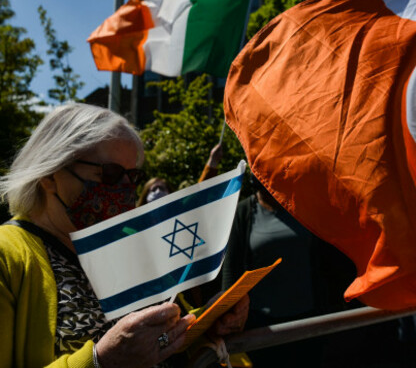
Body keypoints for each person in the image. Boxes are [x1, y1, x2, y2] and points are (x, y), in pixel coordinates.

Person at [0, 103, 246, 368]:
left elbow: (167, 332)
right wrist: (99, 361)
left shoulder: (127, 246)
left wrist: (212, 319)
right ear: (50, 174)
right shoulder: (7, 256)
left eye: (132, 177)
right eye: (111, 174)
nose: (125, 189)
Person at [219, 175, 356, 368]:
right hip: (261, 327)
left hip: (307, 320)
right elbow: (231, 270)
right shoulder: (243, 212)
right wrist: (229, 315)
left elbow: (328, 258)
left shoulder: (302, 207)